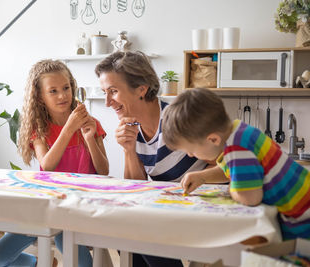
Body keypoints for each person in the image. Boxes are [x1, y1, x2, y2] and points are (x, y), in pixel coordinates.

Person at [95, 51, 227, 267]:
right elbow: (135, 187)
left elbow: (231, 166)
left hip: (206, 211)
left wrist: (200, 177)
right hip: (170, 210)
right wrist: (128, 150)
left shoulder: (180, 117)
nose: (108, 102)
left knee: (141, 232)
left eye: (113, 91)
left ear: (141, 89)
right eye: (104, 93)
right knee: (122, 231)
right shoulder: (131, 126)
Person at [0, 59, 109, 267]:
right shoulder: (39, 129)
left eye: (66, 88)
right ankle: (40, 263)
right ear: (40, 97)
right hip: (47, 206)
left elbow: (103, 171)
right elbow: (48, 165)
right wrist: (69, 129)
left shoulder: (91, 123)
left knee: (80, 260)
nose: (62, 95)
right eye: (53, 91)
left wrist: (88, 138)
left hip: (79, 206)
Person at [162, 87, 310, 241]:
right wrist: (202, 177)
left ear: (213, 139)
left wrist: (234, 189)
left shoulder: (237, 148)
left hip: (303, 218)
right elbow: (236, 169)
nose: (190, 155)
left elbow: (250, 198)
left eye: (191, 150)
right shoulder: (238, 131)